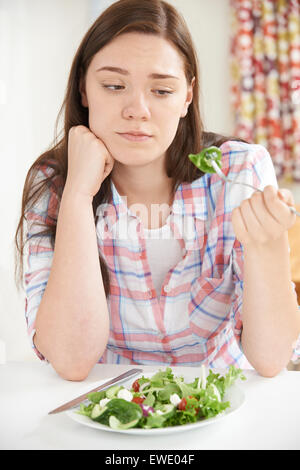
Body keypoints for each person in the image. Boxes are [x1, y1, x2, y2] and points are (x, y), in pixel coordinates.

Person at [15, 0, 300, 381]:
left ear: (187, 96)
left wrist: (268, 247)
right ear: (84, 88)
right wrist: (79, 197)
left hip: (222, 408)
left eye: (162, 90)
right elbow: (70, 359)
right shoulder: (54, 183)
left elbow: (270, 360)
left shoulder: (239, 171)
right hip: (108, 412)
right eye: (114, 86)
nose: (137, 109)